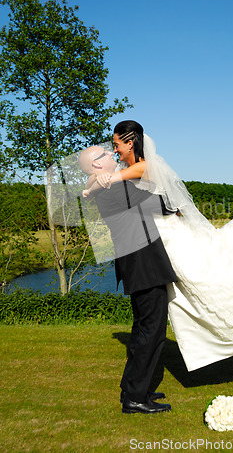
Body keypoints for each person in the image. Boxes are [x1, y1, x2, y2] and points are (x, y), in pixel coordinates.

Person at [87, 120, 233, 372]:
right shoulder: (126, 170)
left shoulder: (144, 166)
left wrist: (97, 180)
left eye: (117, 144)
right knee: (181, 299)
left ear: (131, 143)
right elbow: (108, 188)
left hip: (167, 237)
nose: (114, 149)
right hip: (151, 246)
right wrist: (95, 180)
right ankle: (169, 362)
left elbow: (114, 179)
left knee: (204, 278)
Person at [79, 144, 178, 414]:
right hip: (144, 265)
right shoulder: (116, 188)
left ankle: (134, 386)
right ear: (97, 165)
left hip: (136, 264)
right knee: (152, 332)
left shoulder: (106, 185)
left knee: (142, 330)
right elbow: (162, 206)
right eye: (104, 154)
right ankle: (135, 398)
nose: (111, 154)